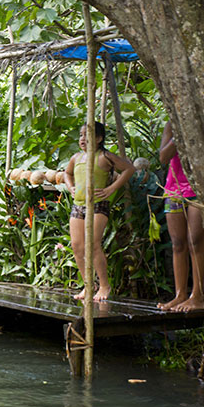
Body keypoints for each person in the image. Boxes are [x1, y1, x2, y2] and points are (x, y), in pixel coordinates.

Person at [64, 121, 134, 301]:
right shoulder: (76, 158)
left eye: (87, 135)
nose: (83, 139)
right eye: (81, 135)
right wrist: (70, 187)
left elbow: (129, 169)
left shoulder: (105, 156)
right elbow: (67, 173)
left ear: (99, 138)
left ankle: (104, 285)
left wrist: (112, 189)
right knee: (77, 246)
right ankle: (88, 285)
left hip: (98, 205)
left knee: (93, 244)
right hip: (78, 204)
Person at [157, 121, 204, 312]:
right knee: (178, 243)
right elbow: (163, 157)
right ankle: (180, 295)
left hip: (199, 187)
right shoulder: (172, 125)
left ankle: (198, 296)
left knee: (195, 240)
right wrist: (179, 134)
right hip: (174, 188)